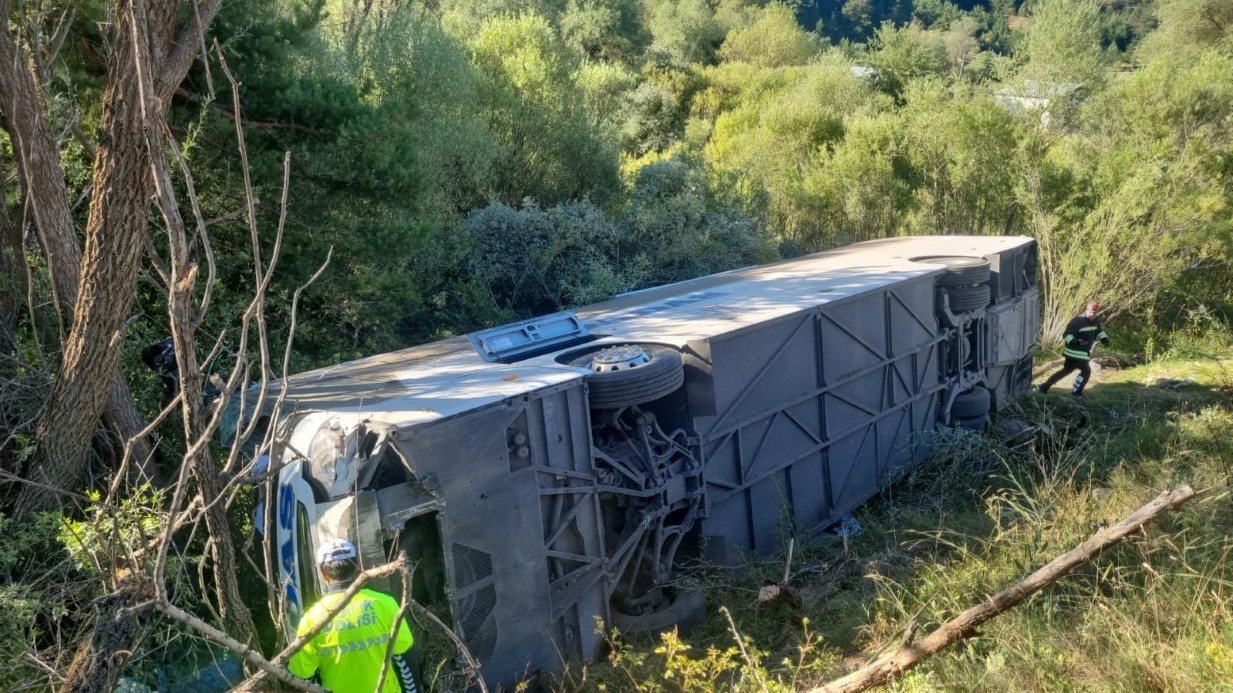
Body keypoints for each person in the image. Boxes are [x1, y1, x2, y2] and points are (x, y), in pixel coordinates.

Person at [288, 539, 423, 693]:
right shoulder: (385, 604)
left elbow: (302, 675)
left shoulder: (311, 618)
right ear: (358, 566)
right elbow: (406, 659)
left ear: (323, 573)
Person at [1036, 301, 1110, 398]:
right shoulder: (1077, 321)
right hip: (1075, 352)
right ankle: (1076, 393)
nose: (1093, 314)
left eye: (1096, 312)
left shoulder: (1096, 321)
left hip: (1083, 352)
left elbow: (1099, 331)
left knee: (1065, 371)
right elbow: (1066, 335)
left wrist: (1105, 339)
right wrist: (1076, 342)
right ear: (1086, 310)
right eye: (1092, 312)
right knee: (1086, 371)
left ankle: (1043, 387)